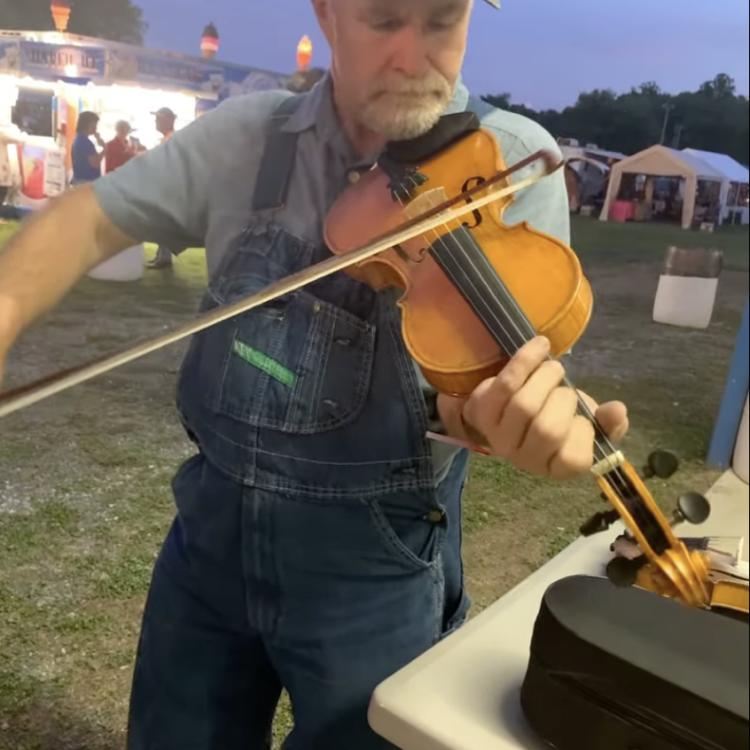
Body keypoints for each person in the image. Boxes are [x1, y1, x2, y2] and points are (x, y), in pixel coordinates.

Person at [0, 1, 630, 748]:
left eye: (440, 20)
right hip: (209, 542)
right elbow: (91, 216)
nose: (411, 55)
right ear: (327, 14)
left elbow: (472, 393)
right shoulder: (253, 134)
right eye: (383, 18)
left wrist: (506, 422)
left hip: (373, 572)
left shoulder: (511, 157)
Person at [148, 106, 187, 269]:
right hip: (167, 186)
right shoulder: (169, 138)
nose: (156, 122)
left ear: (168, 120)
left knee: (164, 223)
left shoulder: (172, 139)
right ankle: (162, 255)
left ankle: (164, 257)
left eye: (158, 119)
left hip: (169, 188)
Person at [70, 111, 105, 185]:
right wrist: (105, 149)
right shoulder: (84, 142)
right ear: (87, 125)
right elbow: (95, 163)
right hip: (85, 182)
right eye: (94, 125)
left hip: (82, 181)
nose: (95, 128)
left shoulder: (80, 139)